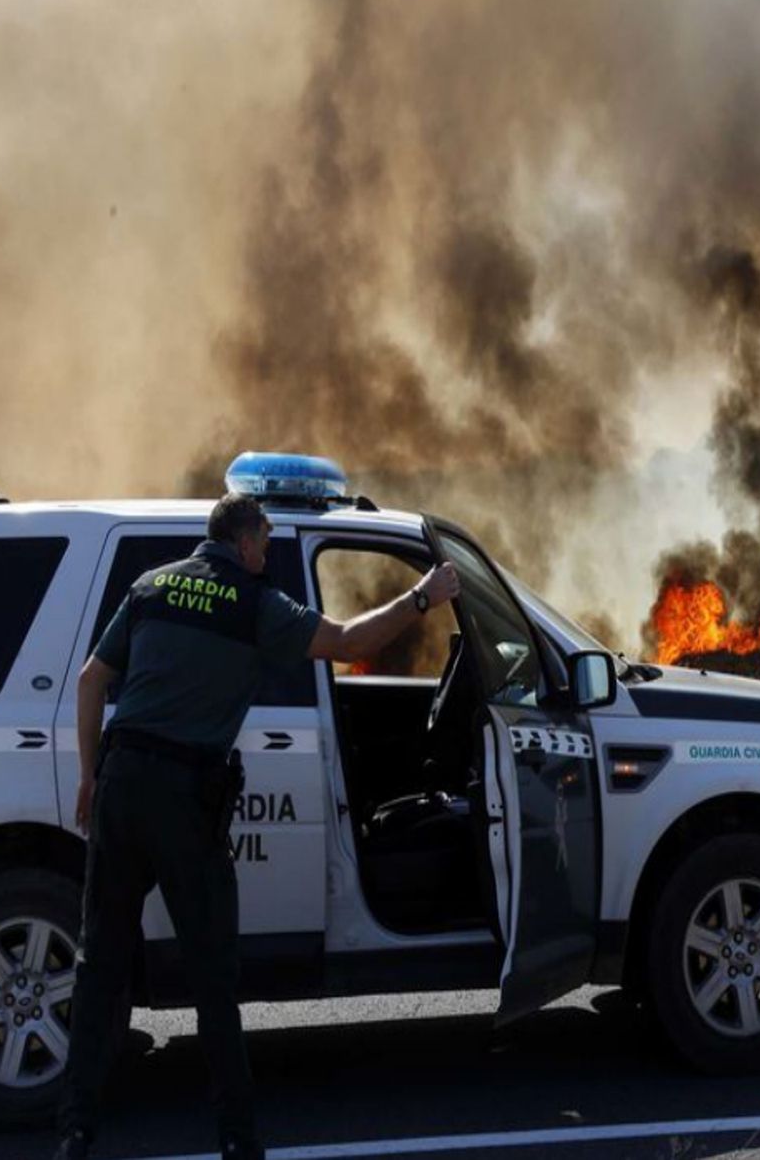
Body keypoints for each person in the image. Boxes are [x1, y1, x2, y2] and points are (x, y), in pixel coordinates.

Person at [55, 492, 460, 1160]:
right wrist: (423, 596)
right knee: (213, 980)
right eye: (265, 543)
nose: (268, 555)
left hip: (121, 786)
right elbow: (349, 641)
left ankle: (74, 1131)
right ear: (242, 543)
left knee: (99, 965)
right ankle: (239, 1140)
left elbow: (91, 679)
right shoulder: (252, 603)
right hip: (185, 797)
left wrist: (88, 777)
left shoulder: (151, 585)